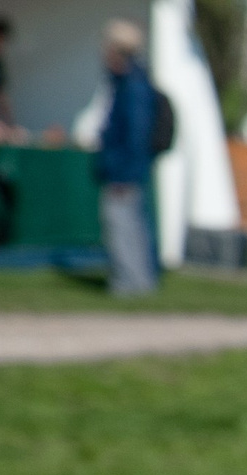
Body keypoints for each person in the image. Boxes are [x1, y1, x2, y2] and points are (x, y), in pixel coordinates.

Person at [95, 20, 157, 298]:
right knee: (129, 226)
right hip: (123, 169)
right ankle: (137, 284)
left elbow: (135, 134)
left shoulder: (132, 86)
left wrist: (123, 172)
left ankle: (129, 285)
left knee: (123, 227)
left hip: (124, 172)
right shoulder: (127, 83)